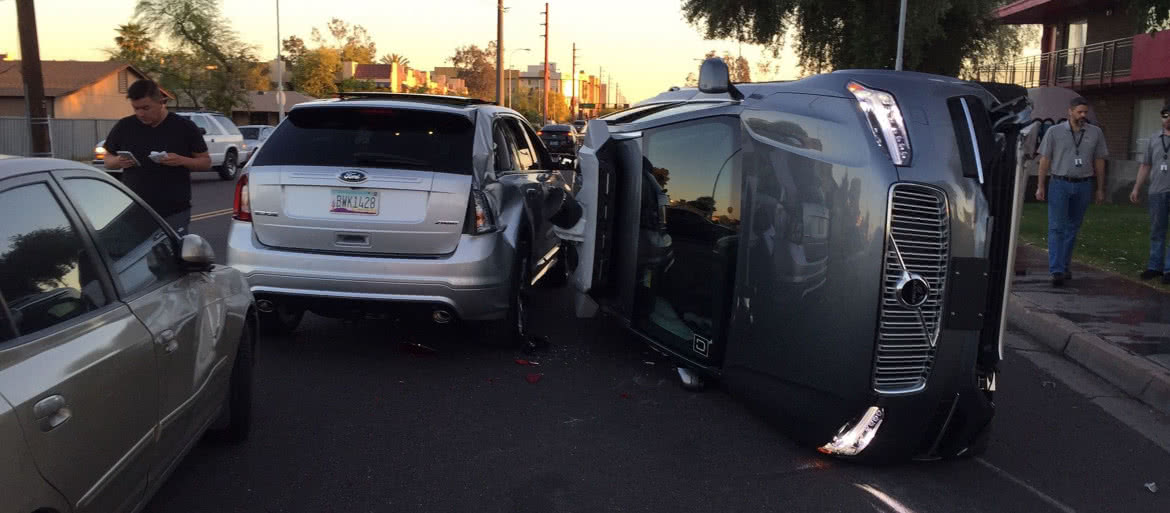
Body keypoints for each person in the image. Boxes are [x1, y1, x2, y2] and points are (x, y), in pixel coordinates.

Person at [103, 79, 210, 234]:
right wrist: (118, 161)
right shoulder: (124, 126)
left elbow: (205, 162)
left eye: (146, 108)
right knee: (137, 255)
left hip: (174, 210)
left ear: (161, 102)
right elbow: (107, 160)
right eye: (136, 108)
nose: (140, 113)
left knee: (172, 255)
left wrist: (181, 160)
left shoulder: (184, 127)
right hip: (135, 208)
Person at [1035, 96, 1108, 287]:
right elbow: (1044, 160)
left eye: (1085, 112)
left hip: (1084, 184)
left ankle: (1064, 264)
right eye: (1079, 112)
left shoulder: (1095, 133)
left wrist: (1100, 188)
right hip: (1060, 183)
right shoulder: (1054, 132)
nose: (1083, 115)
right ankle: (1056, 269)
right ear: (1070, 111)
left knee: (1072, 228)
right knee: (1056, 227)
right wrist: (1040, 185)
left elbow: (1100, 160)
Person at [1130, 103, 1170, 283]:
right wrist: (1137, 187)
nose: (1167, 119)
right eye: (1165, 115)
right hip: (1157, 191)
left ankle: (1169, 269)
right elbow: (1145, 165)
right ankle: (1155, 266)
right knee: (1157, 230)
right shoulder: (1154, 139)